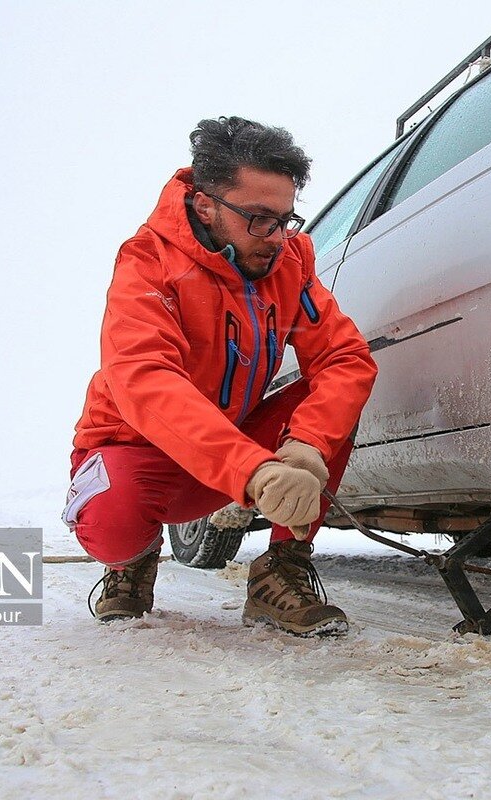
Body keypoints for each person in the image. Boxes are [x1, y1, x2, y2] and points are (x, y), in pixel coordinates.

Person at [63, 116, 377, 635]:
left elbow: (345, 358)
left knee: (327, 403)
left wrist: (306, 449)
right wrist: (254, 471)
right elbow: (145, 377)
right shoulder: (147, 262)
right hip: (139, 452)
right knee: (112, 521)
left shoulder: (288, 263)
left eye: (285, 219)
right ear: (205, 205)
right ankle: (130, 563)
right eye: (259, 218)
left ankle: (282, 569)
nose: (276, 237)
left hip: (228, 452)